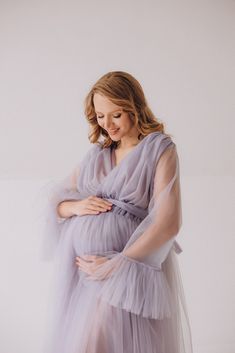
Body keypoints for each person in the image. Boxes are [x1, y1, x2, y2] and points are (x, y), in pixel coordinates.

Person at [39, 71, 194, 353]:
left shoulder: (159, 149)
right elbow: (54, 202)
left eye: (116, 115)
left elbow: (168, 224)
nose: (107, 124)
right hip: (85, 273)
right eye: (100, 116)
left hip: (127, 270)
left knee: (93, 345)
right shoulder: (97, 155)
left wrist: (118, 264)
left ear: (135, 107)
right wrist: (77, 206)